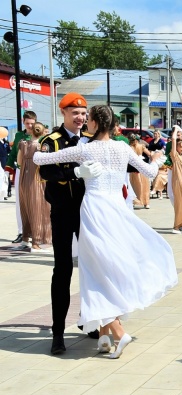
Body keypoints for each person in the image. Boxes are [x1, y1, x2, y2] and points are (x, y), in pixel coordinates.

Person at [33, 104, 175, 359]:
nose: (84, 121)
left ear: (96, 124)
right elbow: (151, 172)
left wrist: (75, 169)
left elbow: (38, 159)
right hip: (117, 211)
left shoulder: (86, 148)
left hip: (94, 211)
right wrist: (156, 158)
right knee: (111, 265)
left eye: (87, 119)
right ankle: (104, 334)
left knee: (95, 270)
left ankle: (115, 332)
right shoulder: (122, 147)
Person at [37, 94, 105, 354]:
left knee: (91, 268)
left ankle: (88, 321)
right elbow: (45, 172)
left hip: (88, 212)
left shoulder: (90, 141)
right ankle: (57, 333)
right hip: (64, 212)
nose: (80, 118)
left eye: (83, 113)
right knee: (63, 269)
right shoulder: (52, 142)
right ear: (63, 113)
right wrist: (74, 172)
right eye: (75, 112)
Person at [17, 122, 52, 252]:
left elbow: (19, 162)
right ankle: (37, 242)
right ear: (43, 132)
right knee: (38, 209)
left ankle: (25, 239)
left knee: (25, 208)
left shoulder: (23, 144)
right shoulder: (42, 147)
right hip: (37, 180)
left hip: (24, 180)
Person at [6, 110, 37, 244]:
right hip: (20, 170)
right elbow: (13, 153)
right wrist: (7, 169)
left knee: (35, 201)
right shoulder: (19, 135)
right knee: (20, 202)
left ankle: (36, 232)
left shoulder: (41, 135)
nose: (30, 126)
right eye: (27, 123)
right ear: (24, 122)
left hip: (36, 172)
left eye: (32, 123)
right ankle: (21, 232)